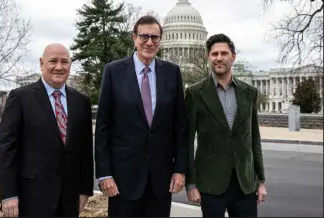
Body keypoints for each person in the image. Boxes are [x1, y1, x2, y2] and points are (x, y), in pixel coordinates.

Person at [95, 15, 188, 217]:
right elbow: (103, 127)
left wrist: (180, 169)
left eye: (155, 37)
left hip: (160, 180)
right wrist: (104, 173)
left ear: (160, 40)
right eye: (144, 36)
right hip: (122, 178)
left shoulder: (172, 73)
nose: (149, 42)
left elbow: (180, 127)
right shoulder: (114, 71)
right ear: (134, 38)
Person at [0, 43, 94, 217]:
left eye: (64, 62)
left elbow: (85, 150)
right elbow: (7, 150)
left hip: (69, 199)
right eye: (53, 61)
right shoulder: (20, 98)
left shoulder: (81, 101)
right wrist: (9, 194)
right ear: (42, 63)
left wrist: (85, 190)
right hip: (31, 197)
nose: (59, 67)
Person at [185, 34, 267, 217]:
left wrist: (261, 181)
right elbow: (187, 142)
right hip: (210, 185)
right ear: (208, 57)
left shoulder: (249, 92)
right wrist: (191, 184)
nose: (219, 58)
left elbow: (254, 139)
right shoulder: (195, 93)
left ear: (233, 56)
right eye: (214, 54)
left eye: (224, 53)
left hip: (244, 184)